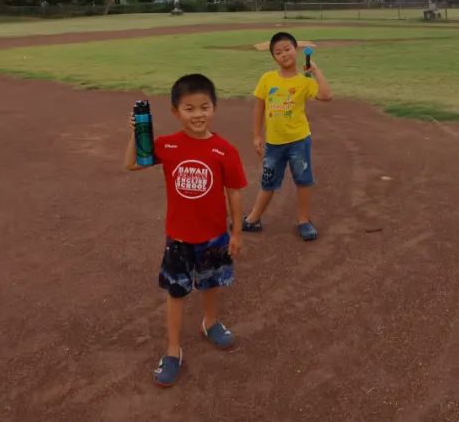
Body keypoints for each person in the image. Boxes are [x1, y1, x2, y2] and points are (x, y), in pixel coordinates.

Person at [124, 73, 248, 387]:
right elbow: (133, 164)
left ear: (214, 108)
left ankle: (210, 322)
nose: (198, 114)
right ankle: (173, 349)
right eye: (189, 108)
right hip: (179, 238)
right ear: (176, 112)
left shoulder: (225, 150)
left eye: (204, 107)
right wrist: (136, 132)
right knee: (176, 293)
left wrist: (236, 232)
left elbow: (234, 191)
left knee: (210, 284)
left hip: (214, 236)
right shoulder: (167, 145)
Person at [242, 31, 332, 241]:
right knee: (268, 181)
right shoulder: (268, 79)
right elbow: (259, 108)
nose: (284, 54)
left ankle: (303, 221)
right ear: (274, 57)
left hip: (299, 141)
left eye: (287, 49)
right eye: (278, 52)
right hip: (274, 143)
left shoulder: (304, 81)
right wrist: (256, 135)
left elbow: (327, 95)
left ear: (296, 50)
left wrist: (315, 70)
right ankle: (253, 219)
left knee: (303, 180)